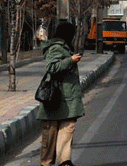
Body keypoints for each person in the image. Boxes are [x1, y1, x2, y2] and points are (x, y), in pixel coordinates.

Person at [38, 21, 84, 166]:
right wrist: (70, 60)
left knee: (68, 129)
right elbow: (52, 67)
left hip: (68, 100)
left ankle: (65, 162)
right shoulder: (56, 48)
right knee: (50, 139)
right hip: (55, 99)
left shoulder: (64, 47)